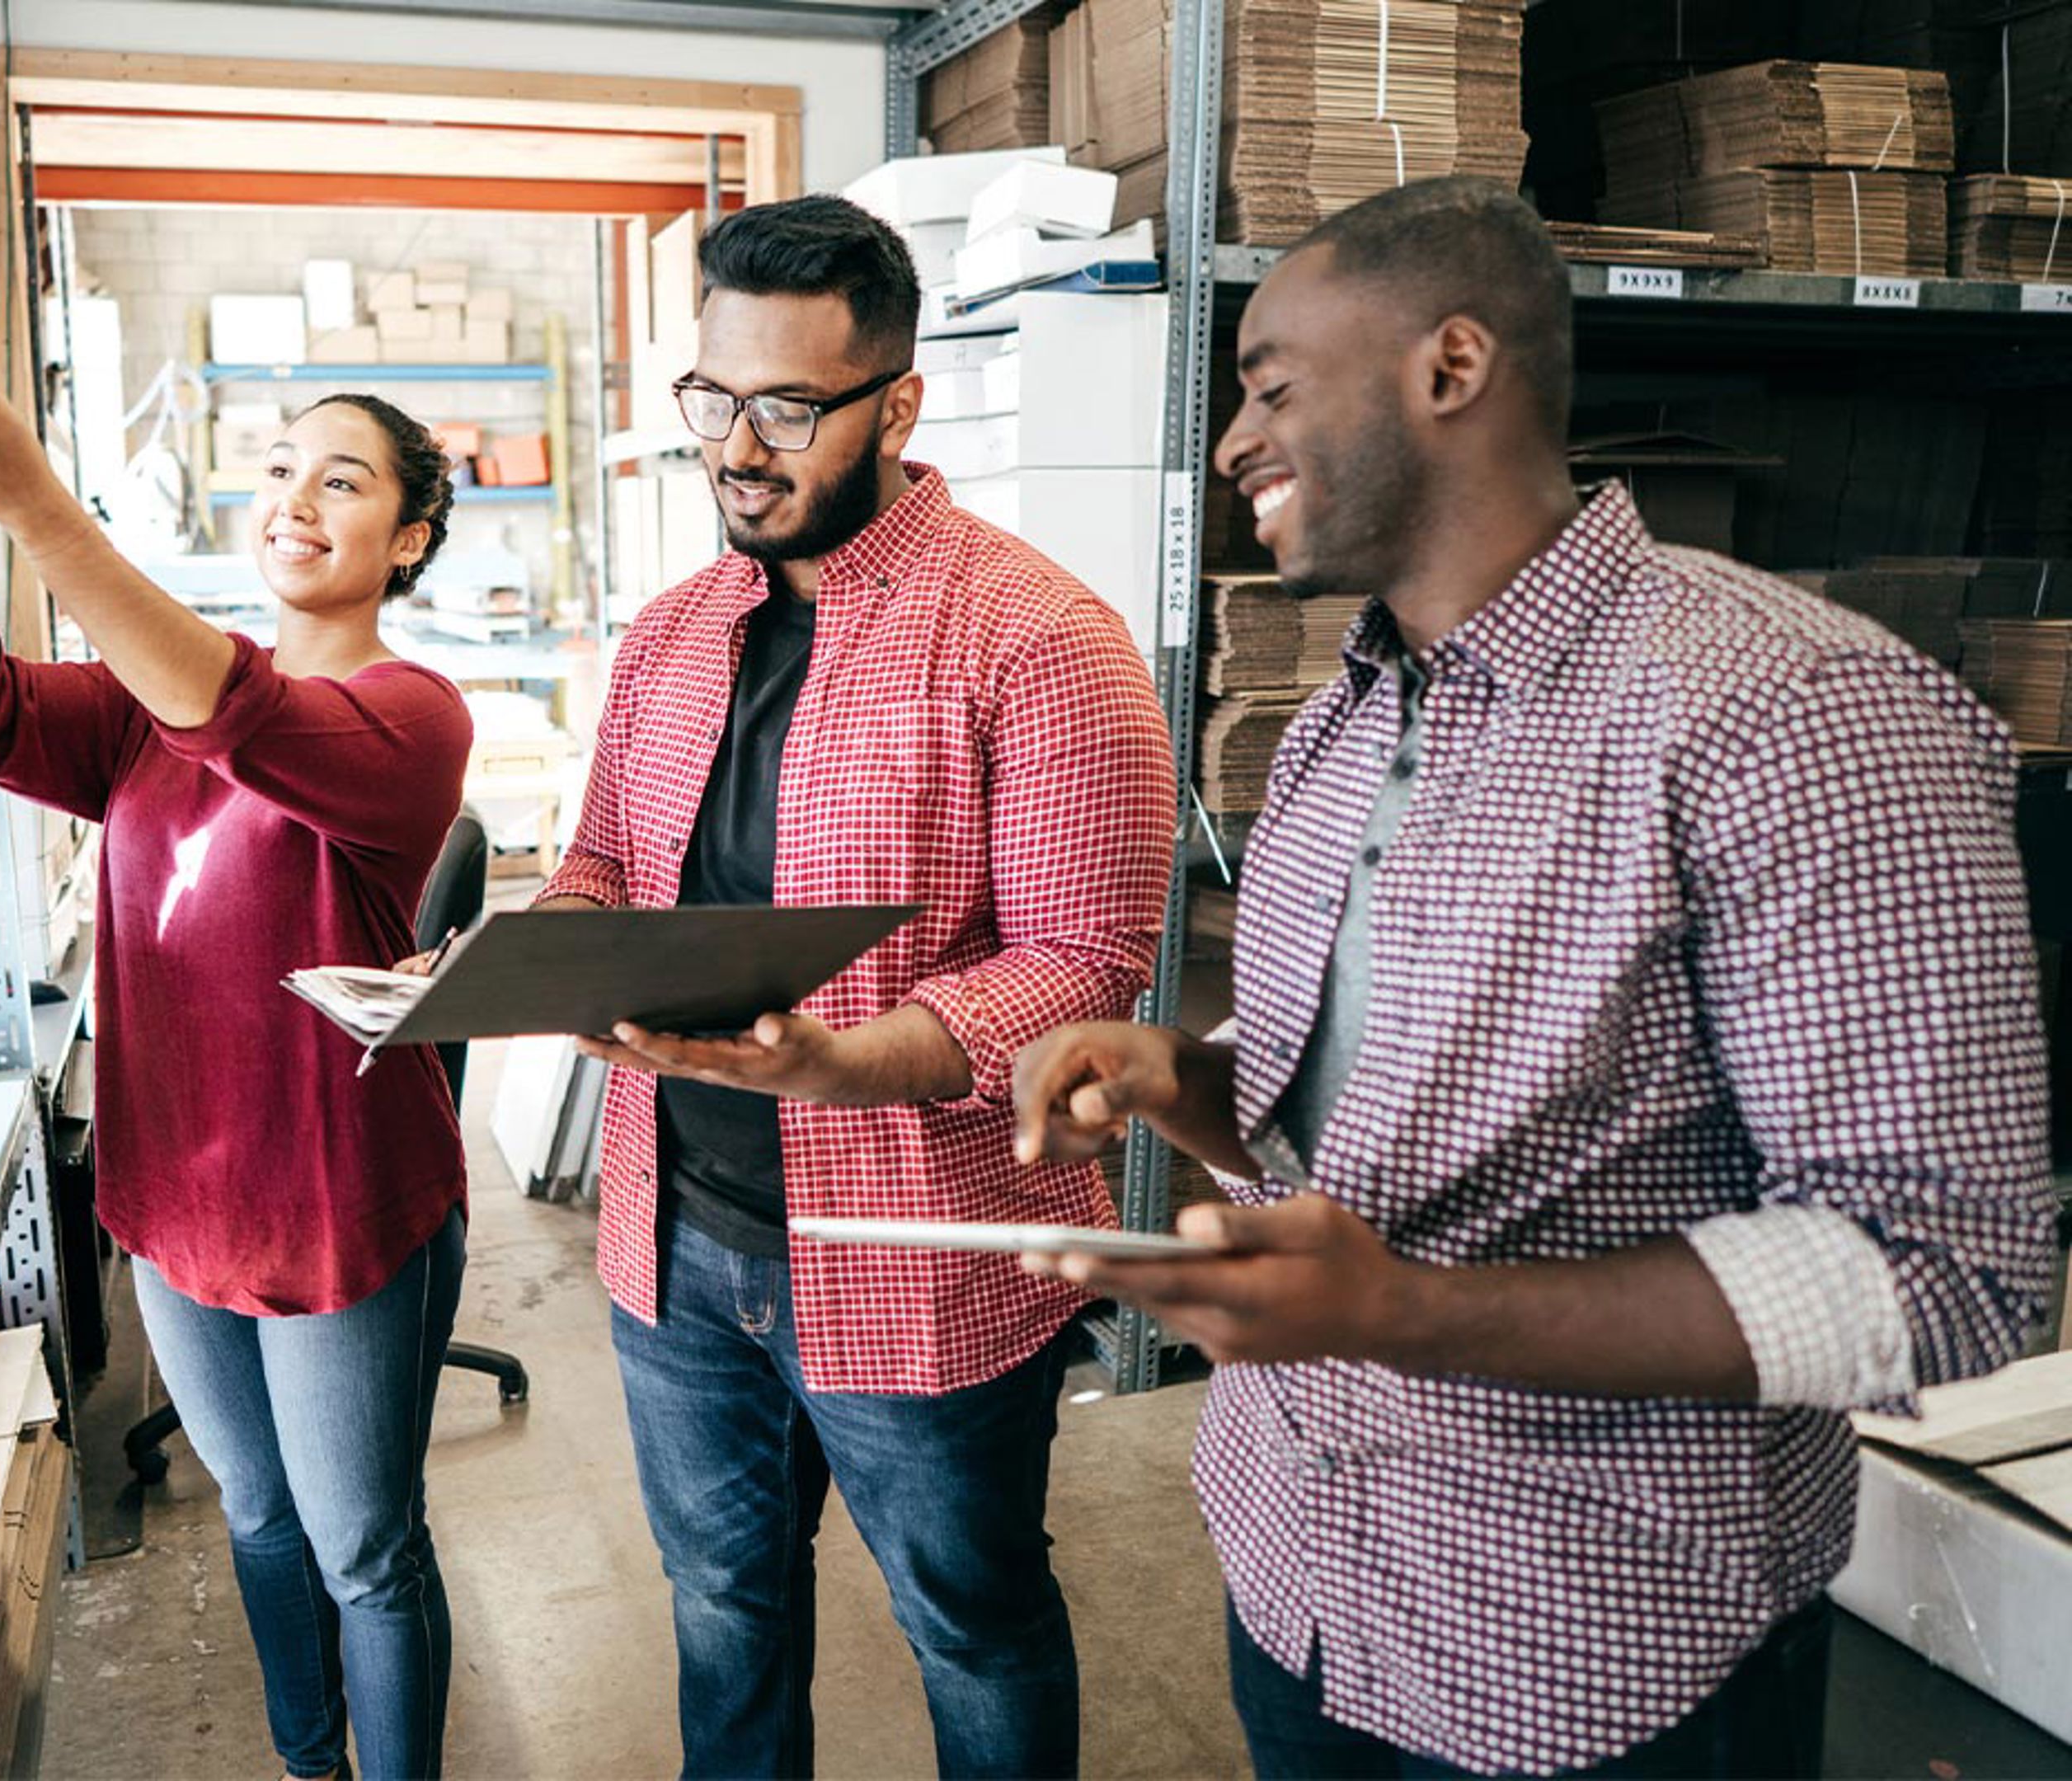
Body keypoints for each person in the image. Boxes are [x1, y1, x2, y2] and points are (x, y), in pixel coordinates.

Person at [1011, 177, 2056, 1780]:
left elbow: (1946, 1273)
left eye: (1272, 384)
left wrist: (1408, 1315)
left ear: (1450, 368)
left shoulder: (1798, 711)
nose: (1229, 445)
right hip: (1300, 1567)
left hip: (1584, 1643)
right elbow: (1353, 1138)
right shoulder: (1345, 723)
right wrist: (1187, 1085)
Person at [529, 196, 1177, 1779]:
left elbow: (1090, 963)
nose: (737, 449)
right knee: (722, 1607)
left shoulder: (1040, 638)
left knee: (972, 1621)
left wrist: (862, 1058)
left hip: (916, 1250)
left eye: (787, 410)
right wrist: (537, 953)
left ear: (897, 402)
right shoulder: (674, 634)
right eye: (712, 399)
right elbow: (605, 857)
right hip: (676, 1238)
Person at [0, 307, 476, 1781]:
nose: (295, 499)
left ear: (413, 539)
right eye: (282, 469)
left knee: (363, 1548)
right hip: (179, 1202)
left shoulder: (408, 715)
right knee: (252, 1513)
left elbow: (236, 714)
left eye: (345, 481)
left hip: (335, 1214)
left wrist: (31, 499)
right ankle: (313, 1763)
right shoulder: (142, 709)